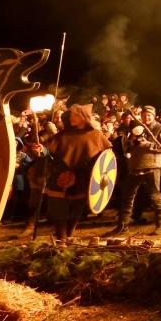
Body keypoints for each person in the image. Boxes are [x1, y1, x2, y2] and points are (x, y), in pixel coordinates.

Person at [43, 104, 111, 244]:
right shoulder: (63, 134)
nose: (71, 117)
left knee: (76, 209)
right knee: (59, 208)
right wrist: (40, 151)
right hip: (59, 177)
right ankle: (61, 239)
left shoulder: (96, 135)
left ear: (83, 118)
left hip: (82, 177)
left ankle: (69, 236)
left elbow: (105, 157)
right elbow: (49, 153)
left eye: (74, 115)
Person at [106, 105, 161, 235]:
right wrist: (130, 142)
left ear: (154, 115)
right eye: (145, 114)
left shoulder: (160, 128)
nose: (147, 117)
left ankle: (160, 224)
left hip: (151, 165)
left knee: (155, 195)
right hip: (135, 165)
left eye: (150, 115)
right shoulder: (134, 128)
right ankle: (123, 226)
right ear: (141, 115)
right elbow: (127, 147)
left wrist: (149, 145)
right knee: (127, 195)